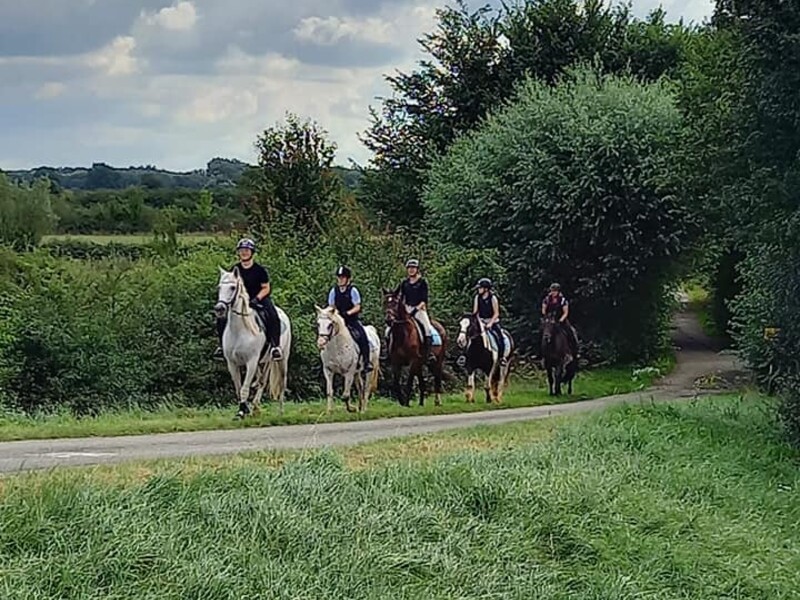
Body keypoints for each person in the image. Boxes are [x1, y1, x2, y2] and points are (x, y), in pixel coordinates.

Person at [213, 237, 283, 361]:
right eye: (241, 250)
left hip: (258, 298)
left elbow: (266, 288)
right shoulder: (235, 269)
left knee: (272, 315)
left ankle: (275, 346)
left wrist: (257, 299)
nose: (244, 252)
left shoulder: (259, 270)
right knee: (221, 318)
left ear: (252, 252)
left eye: (246, 250)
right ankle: (221, 347)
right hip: (239, 301)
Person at [326, 265, 372, 373]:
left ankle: (366, 362)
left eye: (342, 277)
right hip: (338, 321)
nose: (340, 280)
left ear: (348, 279)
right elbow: (331, 306)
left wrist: (348, 313)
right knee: (325, 333)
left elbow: (357, 306)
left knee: (362, 336)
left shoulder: (353, 290)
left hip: (351, 320)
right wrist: (335, 314)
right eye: (339, 277)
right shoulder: (334, 291)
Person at [397, 258, 435, 364]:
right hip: (407, 308)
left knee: (427, 329)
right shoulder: (404, 283)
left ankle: (429, 354)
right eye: (409, 268)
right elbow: (401, 298)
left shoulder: (422, 282)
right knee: (390, 329)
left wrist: (415, 310)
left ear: (417, 269)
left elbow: (424, 300)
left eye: (413, 268)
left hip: (419, 309)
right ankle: (390, 352)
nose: (411, 270)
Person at [541, 282, 579, 359]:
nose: (553, 292)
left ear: (558, 291)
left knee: (571, 331)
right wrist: (546, 316)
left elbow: (566, 312)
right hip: (550, 319)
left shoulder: (563, 300)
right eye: (552, 290)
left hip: (561, 319)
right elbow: (543, 309)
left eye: (555, 291)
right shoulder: (547, 299)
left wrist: (561, 320)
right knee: (543, 332)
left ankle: (574, 351)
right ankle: (542, 354)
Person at [473, 278, 506, 367]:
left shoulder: (493, 298)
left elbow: (496, 313)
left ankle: (502, 357)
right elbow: (475, 312)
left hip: (492, 321)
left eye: (480, 288)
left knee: (499, 337)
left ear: (486, 289)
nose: (478, 290)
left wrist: (490, 323)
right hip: (481, 321)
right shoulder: (477, 297)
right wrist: (479, 322)